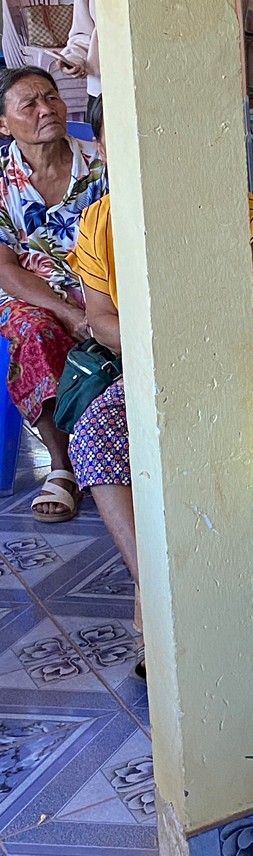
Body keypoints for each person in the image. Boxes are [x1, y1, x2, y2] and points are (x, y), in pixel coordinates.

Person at [67, 94, 253, 601]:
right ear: (101, 149)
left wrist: (174, 350)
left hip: (242, 361)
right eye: (119, 138)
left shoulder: (229, 204)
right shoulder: (98, 221)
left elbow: (241, 304)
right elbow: (101, 322)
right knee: (95, 432)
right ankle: (154, 588)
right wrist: (162, 352)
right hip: (154, 368)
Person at [0, 65, 105, 523]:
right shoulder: (1, 181)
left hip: (100, 286)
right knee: (35, 332)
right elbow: (4, 268)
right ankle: (63, 466)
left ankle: (114, 450)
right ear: (4, 125)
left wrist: (95, 306)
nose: (47, 109)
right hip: (28, 294)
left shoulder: (100, 164)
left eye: (51, 97)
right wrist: (65, 310)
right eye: (30, 104)